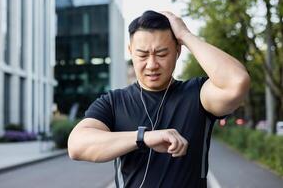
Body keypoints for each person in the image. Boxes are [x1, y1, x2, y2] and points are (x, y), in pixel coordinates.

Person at [67, 10, 250, 188]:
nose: (152, 64)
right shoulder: (114, 102)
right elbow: (77, 145)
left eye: (162, 54)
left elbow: (237, 81)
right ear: (131, 51)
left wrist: (185, 35)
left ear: (178, 51)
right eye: (143, 55)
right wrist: (144, 138)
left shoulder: (197, 94)